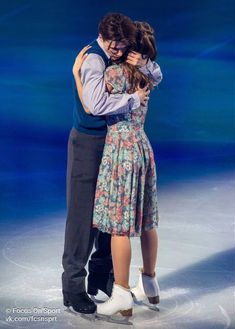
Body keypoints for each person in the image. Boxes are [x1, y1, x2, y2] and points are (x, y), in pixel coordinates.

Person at [62, 13, 154, 315]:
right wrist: (132, 98)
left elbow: (154, 74)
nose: (118, 51)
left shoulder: (120, 64)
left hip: (115, 146)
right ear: (103, 36)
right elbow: (94, 105)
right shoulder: (92, 60)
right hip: (90, 144)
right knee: (82, 215)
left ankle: (104, 276)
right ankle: (74, 286)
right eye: (115, 46)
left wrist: (142, 65)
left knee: (110, 213)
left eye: (124, 46)